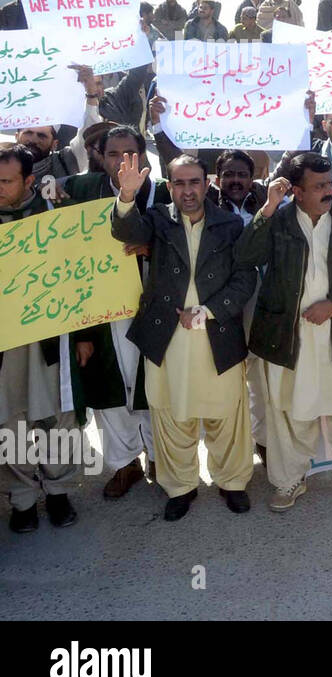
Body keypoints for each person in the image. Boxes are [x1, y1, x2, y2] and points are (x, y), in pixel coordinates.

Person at [110, 153, 257, 521]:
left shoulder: (229, 224)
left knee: (227, 415)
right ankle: (180, 487)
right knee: (172, 413)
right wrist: (127, 197)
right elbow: (127, 232)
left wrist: (209, 311)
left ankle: (233, 482)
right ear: (169, 185)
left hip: (216, 331)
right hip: (167, 334)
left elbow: (245, 279)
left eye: (194, 182)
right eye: (179, 183)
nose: (187, 190)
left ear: (206, 184)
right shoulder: (158, 218)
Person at [236, 154, 332, 511]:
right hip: (288, 336)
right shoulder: (278, 221)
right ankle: (289, 481)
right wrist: (269, 207)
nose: (328, 192)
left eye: (330, 184)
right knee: (289, 412)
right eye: (319, 187)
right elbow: (245, 256)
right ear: (297, 191)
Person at [63, 127, 167, 501]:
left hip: (153, 306)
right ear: (100, 156)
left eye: (131, 152)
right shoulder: (82, 191)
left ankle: (161, 459)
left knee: (154, 384)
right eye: (113, 154)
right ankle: (125, 464)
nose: (122, 161)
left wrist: (152, 248)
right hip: (102, 310)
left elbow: (185, 246)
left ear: (144, 156)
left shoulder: (163, 193)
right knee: (110, 387)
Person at [0, 145, 80, 533]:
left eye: (5, 181)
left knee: (56, 418)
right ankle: (23, 498)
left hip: (51, 337)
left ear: (29, 180)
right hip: (5, 344)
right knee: (11, 419)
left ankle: (60, 490)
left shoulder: (56, 216)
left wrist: (83, 337)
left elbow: (85, 280)